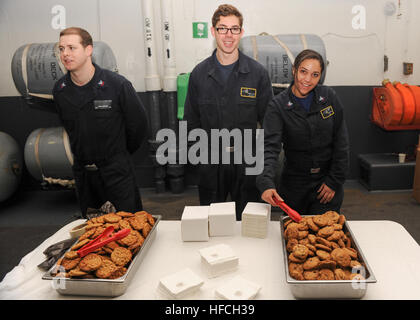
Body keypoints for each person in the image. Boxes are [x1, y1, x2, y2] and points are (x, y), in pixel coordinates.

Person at [184, 4, 273, 220]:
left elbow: (271, 125)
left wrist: (264, 167)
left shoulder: (257, 74)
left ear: (241, 33)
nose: (228, 35)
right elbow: (190, 123)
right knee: (213, 223)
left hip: (247, 163)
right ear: (213, 31)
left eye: (234, 29)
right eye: (222, 28)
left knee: (249, 224)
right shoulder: (199, 74)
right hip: (211, 161)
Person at [53, 27, 149, 218]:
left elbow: (138, 126)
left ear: (88, 50)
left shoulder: (117, 85)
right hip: (85, 177)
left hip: (116, 173)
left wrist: (118, 155)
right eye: (61, 49)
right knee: (93, 234)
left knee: (128, 230)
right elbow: (70, 129)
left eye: (72, 48)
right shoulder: (60, 91)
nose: (65, 54)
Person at [256, 49, 349, 215]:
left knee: (325, 237)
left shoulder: (329, 97)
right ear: (294, 70)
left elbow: (341, 142)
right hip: (294, 185)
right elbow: (269, 147)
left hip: (326, 184)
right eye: (303, 72)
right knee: (295, 236)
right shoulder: (277, 106)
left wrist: (334, 181)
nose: (307, 80)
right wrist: (266, 182)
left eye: (315, 74)